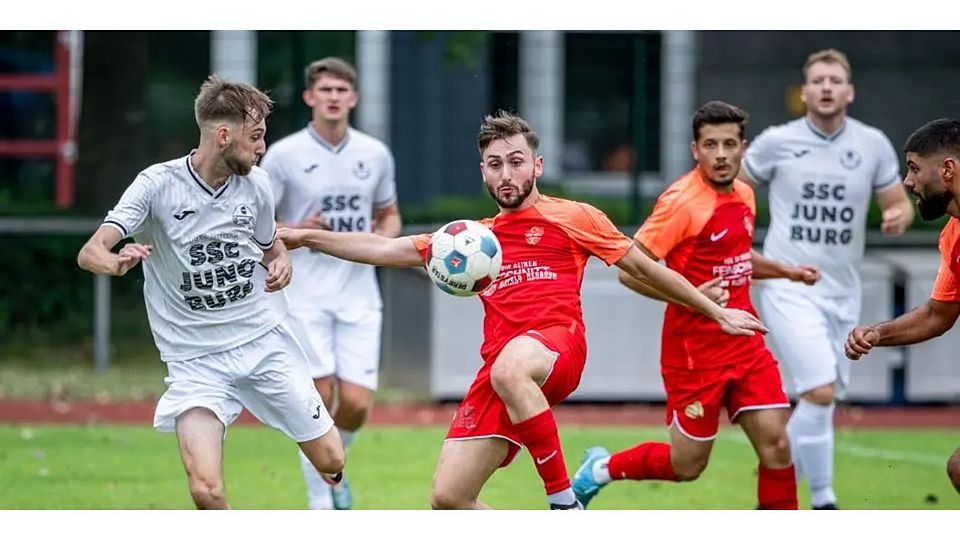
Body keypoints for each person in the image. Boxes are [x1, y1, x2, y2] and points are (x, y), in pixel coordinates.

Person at [278, 110, 769, 510]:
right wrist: (304, 237)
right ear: (483, 172)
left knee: (511, 368)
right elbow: (382, 248)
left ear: (537, 165)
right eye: (495, 164)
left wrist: (714, 310)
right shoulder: (470, 238)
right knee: (449, 498)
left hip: (557, 345)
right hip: (500, 370)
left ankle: (563, 503)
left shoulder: (574, 216)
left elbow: (644, 267)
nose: (506, 173)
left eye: (516, 161)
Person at [76, 75, 345, 509]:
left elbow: (269, 245)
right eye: (255, 137)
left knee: (332, 460)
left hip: (263, 344)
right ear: (223, 136)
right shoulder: (156, 185)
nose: (262, 148)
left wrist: (280, 259)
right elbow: (91, 252)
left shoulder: (257, 185)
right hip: (195, 361)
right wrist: (114, 262)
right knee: (205, 490)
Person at [572, 101, 816, 510]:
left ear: (743, 148)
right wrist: (698, 298)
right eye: (710, 145)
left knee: (777, 445)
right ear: (695, 149)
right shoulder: (681, 202)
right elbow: (630, 273)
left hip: (745, 342)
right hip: (693, 353)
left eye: (729, 144)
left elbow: (737, 254)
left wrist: (786, 271)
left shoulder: (744, 193)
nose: (720, 154)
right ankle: (601, 469)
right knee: (687, 465)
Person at [738, 48, 915, 509]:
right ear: (805, 91)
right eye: (818, 80)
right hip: (789, 284)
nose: (826, 87)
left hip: (843, 289)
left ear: (849, 91)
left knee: (825, 397)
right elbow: (730, 191)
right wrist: (732, 240)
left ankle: (786, 492)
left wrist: (898, 214)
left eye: (835, 80)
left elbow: (899, 201)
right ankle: (820, 501)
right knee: (817, 390)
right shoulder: (777, 142)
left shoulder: (872, 144)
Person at [260, 57, 401, 511]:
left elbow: (389, 214)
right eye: (326, 90)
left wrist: (383, 241)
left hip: (360, 294)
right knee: (317, 398)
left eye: (342, 90)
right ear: (310, 97)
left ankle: (334, 466)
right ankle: (322, 498)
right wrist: (300, 229)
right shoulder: (284, 156)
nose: (334, 97)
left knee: (355, 404)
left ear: (353, 98)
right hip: (304, 296)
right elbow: (257, 223)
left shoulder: (374, 154)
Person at [845, 117, 960, 495]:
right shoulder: (953, 235)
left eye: (914, 168)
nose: (907, 182)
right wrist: (878, 333)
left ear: (947, 170)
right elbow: (937, 315)